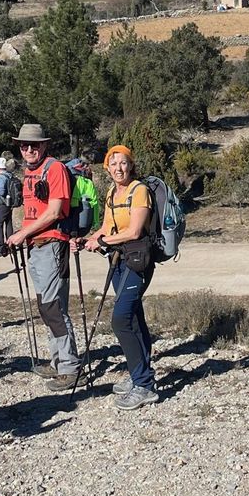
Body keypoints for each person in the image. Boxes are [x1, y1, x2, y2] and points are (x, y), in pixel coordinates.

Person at [5, 124, 79, 390]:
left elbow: (55, 211)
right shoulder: (29, 172)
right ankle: (58, 361)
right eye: (24, 145)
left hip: (52, 244)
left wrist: (21, 233)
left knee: (53, 307)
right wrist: (23, 235)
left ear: (44, 145)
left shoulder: (54, 169)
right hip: (36, 246)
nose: (28, 149)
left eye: (34, 145)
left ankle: (70, 367)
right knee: (46, 306)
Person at [85, 145, 159, 410]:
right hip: (117, 260)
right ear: (107, 167)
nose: (118, 168)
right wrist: (88, 239)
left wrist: (103, 240)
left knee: (120, 319)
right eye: (113, 163)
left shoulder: (139, 191)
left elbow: (135, 231)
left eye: (124, 163)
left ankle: (145, 385)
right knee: (134, 317)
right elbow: (107, 226)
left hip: (137, 262)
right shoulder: (111, 193)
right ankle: (140, 373)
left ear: (131, 166)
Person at [0, 156, 15, 258]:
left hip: (2, 203)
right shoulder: (10, 175)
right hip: (9, 203)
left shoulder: (1, 177)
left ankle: (1, 248)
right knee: (8, 223)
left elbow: (1, 192)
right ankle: (11, 246)